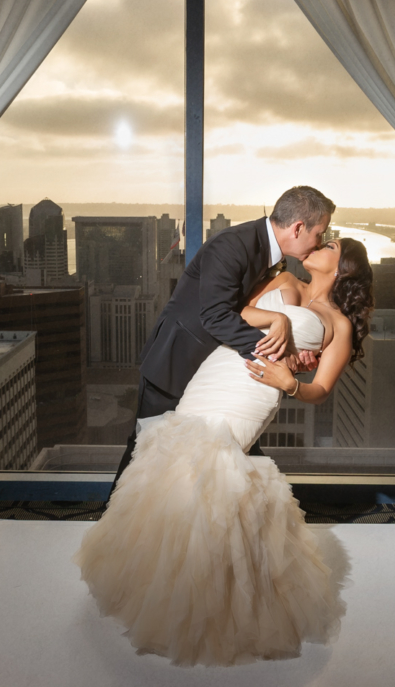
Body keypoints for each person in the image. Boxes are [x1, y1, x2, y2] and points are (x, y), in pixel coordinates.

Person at [74, 235, 376, 667]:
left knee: (215, 474)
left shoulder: (338, 324)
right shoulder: (287, 279)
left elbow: (322, 388)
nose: (319, 243)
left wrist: (289, 383)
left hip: (254, 391)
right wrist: (282, 323)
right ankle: (160, 580)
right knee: (176, 460)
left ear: (342, 267)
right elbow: (238, 314)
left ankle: (209, 596)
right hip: (219, 370)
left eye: (330, 244)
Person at [107, 186, 335, 503]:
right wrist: (275, 350)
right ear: (298, 228)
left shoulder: (267, 253)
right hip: (176, 363)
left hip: (213, 373)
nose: (320, 242)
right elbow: (214, 315)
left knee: (230, 456)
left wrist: (285, 339)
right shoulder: (233, 245)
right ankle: (116, 527)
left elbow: (240, 310)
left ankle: (219, 538)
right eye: (320, 233)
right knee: (145, 449)